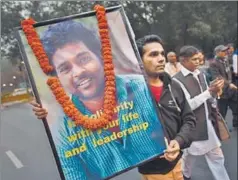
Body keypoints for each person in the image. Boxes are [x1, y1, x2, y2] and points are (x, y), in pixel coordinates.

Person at [30, 21, 167, 180]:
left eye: (83, 59)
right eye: (65, 68)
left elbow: (172, 128)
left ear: (100, 57)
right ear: (58, 78)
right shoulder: (63, 130)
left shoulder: (142, 89)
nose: (78, 72)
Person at [136, 35, 196, 180]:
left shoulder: (174, 86)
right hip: (153, 171)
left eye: (162, 53)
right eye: (153, 54)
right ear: (139, 60)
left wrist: (179, 141)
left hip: (177, 163)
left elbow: (189, 120)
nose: (162, 58)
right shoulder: (131, 94)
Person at [173, 45, 230, 180]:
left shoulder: (201, 74)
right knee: (189, 159)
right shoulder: (176, 80)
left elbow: (209, 99)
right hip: (193, 128)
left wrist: (216, 92)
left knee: (217, 158)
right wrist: (209, 92)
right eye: (194, 59)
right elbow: (188, 106)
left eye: (199, 59)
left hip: (209, 124)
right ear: (183, 61)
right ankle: (185, 176)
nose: (199, 62)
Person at [210, 45, 238, 127]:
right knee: (222, 111)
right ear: (218, 52)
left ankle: (236, 124)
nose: (226, 52)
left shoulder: (225, 60)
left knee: (236, 108)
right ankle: (221, 130)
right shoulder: (213, 63)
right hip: (222, 91)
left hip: (232, 90)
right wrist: (229, 84)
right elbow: (217, 77)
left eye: (226, 51)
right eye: (223, 51)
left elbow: (229, 72)